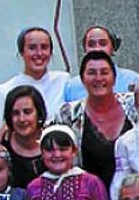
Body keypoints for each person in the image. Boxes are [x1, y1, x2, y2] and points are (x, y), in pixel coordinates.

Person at [54, 51, 132, 192]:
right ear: (82, 79)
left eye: (104, 72)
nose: (98, 78)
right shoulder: (68, 114)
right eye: (91, 73)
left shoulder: (134, 106)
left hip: (134, 197)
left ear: (114, 78)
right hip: (87, 196)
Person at [0, 26, 70, 128]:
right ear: (21, 52)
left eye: (44, 47)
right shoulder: (4, 91)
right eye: (32, 48)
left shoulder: (64, 81)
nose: (39, 53)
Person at [62, 25, 139, 102]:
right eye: (91, 44)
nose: (97, 49)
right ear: (85, 50)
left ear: (112, 48)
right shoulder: (72, 87)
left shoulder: (133, 80)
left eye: (103, 44)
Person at [0, 85, 46, 190]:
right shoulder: (1, 147)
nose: (22, 119)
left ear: (39, 113)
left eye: (27, 112)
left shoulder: (53, 142)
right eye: (15, 113)